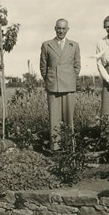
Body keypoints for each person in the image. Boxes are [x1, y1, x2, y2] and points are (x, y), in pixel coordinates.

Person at [40, 19, 81, 151]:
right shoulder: (47, 45)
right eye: (59, 28)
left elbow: (77, 66)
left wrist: (70, 78)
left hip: (69, 86)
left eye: (64, 29)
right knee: (54, 118)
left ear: (68, 29)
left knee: (69, 118)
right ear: (55, 29)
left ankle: (70, 145)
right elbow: (43, 66)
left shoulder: (74, 45)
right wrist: (51, 80)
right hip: (54, 86)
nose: (61, 31)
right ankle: (56, 146)